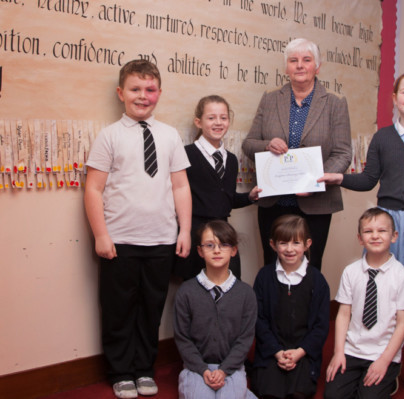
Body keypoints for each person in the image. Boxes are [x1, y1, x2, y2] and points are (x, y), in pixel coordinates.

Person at [318, 69, 404, 391]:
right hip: (386, 221)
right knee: (377, 288)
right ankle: (370, 354)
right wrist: (340, 177)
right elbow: (369, 179)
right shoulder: (383, 137)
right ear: (394, 98)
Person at [84, 59, 192, 399]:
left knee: (151, 309)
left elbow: (180, 187)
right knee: (118, 309)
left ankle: (144, 368)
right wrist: (101, 234)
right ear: (121, 93)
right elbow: (93, 190)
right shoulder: (109, 136)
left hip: (161, 239)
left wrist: (185, 230)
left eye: (150, 90)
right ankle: (120, 371)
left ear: (159, 93)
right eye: (135, 89)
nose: (142, 96)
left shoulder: (170, 135)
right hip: (120, 241)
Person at [242, 37, 352, 271]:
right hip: (274, 202)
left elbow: (343, 154)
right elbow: (248, 144)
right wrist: (267, 145)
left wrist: (314, 181)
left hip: (316, 203)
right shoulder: (270, 100)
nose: (299, 65)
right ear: (286, 68)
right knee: (272, 268)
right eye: (293, 60)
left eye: (306, 60)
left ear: (317, 67)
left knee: (310, 269)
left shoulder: (335, 104)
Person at [324, 208, 404, 399]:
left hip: (382, 353)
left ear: (394, 236)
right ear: (360, 239)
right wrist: (338, 352)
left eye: (382, 231)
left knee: (367, 397)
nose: (375, 236)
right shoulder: (351, 272)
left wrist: (384, 361)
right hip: (352, 350)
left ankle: (391, 378)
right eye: (368, 231)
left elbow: (402, 324)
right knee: (332, 396)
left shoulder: (402, 276)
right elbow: (343, 314)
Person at [175, 95, 260, 281]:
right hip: (195, 233)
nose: (218, 123)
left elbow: (224, 199)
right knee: (195, 288)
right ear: (198, 122)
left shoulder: (230, 160)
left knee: (229, 284)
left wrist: (249, 197)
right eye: (211, 118)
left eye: (223, 118)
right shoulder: (185, 155)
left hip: (223, 233)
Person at [173, 220, 258, 399]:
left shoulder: (246, 293)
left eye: (224, 245)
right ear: (200, 251)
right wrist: (202, 370)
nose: (217, 250)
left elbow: (245, 339)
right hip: (196, 368)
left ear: (233, 250)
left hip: (232, 368)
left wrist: (225, 370)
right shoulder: (186, 292)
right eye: (210, 245)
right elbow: (183, 338)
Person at [251, 214, 330, 399]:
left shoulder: (318, 281)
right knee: (267, 391)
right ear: (272, 244)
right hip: (272, 350)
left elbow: (321, 326)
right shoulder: (264, 277)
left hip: (303, 351)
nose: (289, 249)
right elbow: (258, 319)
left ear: (307, 244)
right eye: (283, 243)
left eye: (296, 243)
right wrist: (277, 352)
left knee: (299, 392)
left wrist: (300, 352)